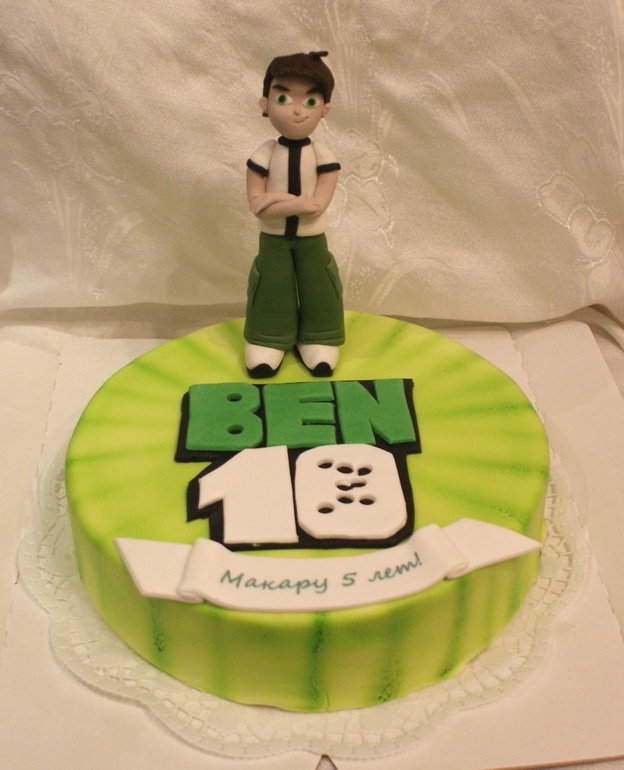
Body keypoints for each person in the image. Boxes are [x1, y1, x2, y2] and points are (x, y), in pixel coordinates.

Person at [244, 51, 345, 378]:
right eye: (283, 98)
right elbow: (256, 206)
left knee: (319, 284)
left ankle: (320, 336)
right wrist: (297, 202)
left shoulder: (323, 155)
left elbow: (316, 206)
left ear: (325, 109)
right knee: (271, 284)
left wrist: (275, 200)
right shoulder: (264, 153)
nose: (298, 110)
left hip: (312, 237)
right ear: (265, 102)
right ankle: (268, 337)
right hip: (273, 239)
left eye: (310, 101)